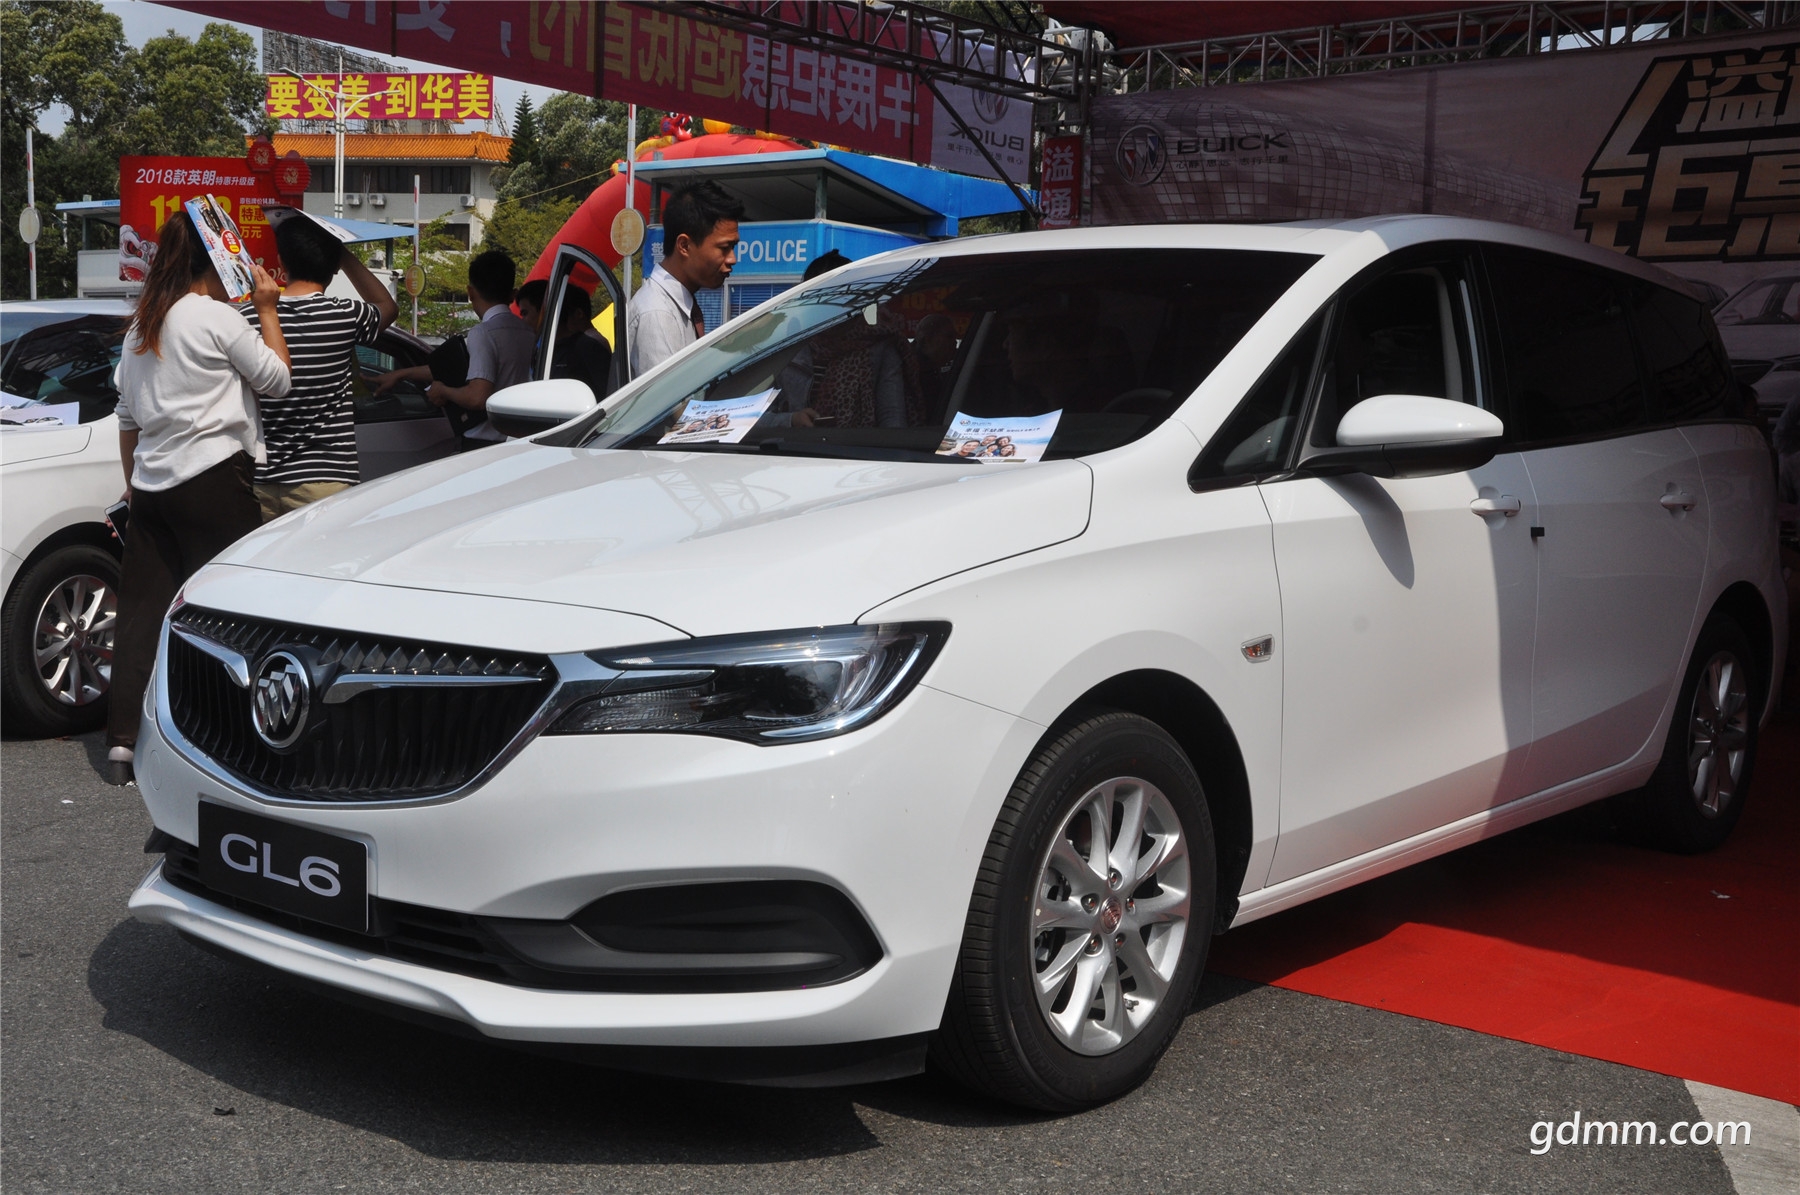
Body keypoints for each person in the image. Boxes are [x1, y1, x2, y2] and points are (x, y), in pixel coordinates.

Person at [106, 210, 292, 783]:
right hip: (214, 479)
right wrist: (266, 308)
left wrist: (133, 486)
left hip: (151, 487)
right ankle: (230, 739)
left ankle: (121, 745)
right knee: (229, 613)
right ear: (214, 259)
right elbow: (278, 380)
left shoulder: (142, 326)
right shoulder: (217, 317)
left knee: (141, 614)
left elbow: (126, 417)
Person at [242, 214, 397, 520]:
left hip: (258, 479)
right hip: (326, 481)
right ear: (334, 265)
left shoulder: (247, 317)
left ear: (281, 262)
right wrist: (344, 255)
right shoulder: (346, 315)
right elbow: (388, 307)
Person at [375, 250, 533, 440]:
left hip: (484, 442)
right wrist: (401, 374)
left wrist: (443, 391)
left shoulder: (483, 333)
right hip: (519, 438)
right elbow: (455, 369)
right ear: (513, 295)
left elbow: (477, 397)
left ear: (470, 292)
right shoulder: (528, 332)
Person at [629, 180, 742, 376]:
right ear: (684, 246)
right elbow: (667, 395)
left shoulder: (679, 307)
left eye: (733, 247)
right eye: (724, 248)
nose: (733, 259)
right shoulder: (657, 314)